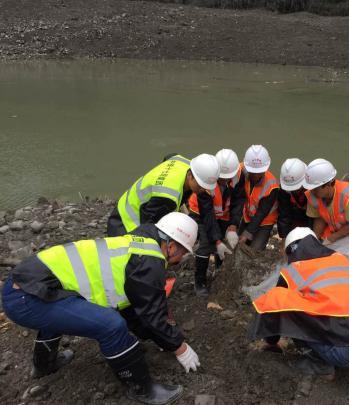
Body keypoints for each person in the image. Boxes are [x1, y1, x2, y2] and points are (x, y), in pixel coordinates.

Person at [2, 213, 201, 405]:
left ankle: (44, 365)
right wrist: (178, 346)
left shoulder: (138, 241)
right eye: (183, 253)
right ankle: (142, 388)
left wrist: (158, 337)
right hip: (27, 298)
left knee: (62, 305)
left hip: (24, 284)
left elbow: (132, 306)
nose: (180, 259)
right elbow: (151, 313)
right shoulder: (150, 261)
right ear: (172, 246)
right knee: (112, 325)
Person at [250, 227, 349, 375]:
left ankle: (320, 363)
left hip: (345, 353)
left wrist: (272, 342)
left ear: (291, 251)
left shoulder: (292, 271)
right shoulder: (347, 260)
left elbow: (275, 307)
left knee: (280, 299)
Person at [107, 153, 220, 237]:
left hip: (129, 203)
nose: (203, 189)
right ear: (190, 175)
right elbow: (148, 226)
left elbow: (169, 156)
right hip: (126, 223)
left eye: (207, 187)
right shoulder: (167, 197)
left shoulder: (181, 161)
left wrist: (216, 239)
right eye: (201, 185)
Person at [188, 149, 246, 296]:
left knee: (226, 244)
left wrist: (233, 226)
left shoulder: (239, 175)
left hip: (224, 214)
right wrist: (217, 241)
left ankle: (219, 274)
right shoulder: (206, 181)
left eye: (228, 178)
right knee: (206, 245)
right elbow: (208, 215)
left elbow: (238, 202)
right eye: (222, 178)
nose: (225, 181)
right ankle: (199, 282)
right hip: (201, 213)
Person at [303, 158, 349, 245]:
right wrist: (315, 239)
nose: (312, 191)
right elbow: (319, 218)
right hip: (335, 229)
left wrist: (331, 238)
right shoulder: (312, 195)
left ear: (328, 184)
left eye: (315, 188)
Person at [238, 145, 279, 251]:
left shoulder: (271, 186)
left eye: (258, 172)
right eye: (253, 171)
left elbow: (262, 213)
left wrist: (247, 233)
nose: (255, 175)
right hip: (248, 215)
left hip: (265, 220)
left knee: (255, 250)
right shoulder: (241, 170)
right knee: (236, 243)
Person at [277, 158, 310, 244]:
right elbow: (284, 214)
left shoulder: (314, 187)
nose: (294, 190)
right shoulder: (284, 190)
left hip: (313, 217)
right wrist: (284, 240)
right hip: (296, 215)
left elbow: (317, 215)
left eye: (296, 187)